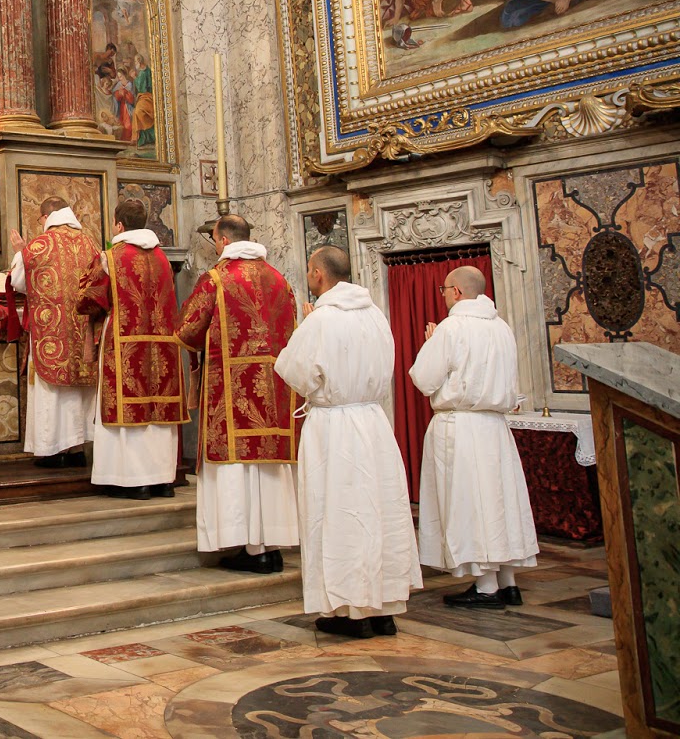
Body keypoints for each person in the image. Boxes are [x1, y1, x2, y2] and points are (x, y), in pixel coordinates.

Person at [274, 247, 421, 638]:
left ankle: (349, 612)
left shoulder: (321, 319)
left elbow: (293, 371)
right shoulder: (375, 314)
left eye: (308, 270)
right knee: (378, 512)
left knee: (339, 514)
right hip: (372, 421)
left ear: (319, 274)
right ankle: (384, 607)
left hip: (334, 426)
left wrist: (304, 328)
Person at [176, 215, 299, 573]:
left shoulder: (216, 279)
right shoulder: (281, 281)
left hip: (231, 393)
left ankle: (249, 547)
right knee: (267, 470)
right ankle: (270, 545)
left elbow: (187, 330)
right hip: (274, 393)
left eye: (215, 240)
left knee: (237, 469)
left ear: (224, 241)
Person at [410, 265, 538, 609]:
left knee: (470, 501)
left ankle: (486, 586)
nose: (443, 296)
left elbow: (424, 378)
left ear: (457, 292)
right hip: (495, 427)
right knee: (499, 501)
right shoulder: (502, 327)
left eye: (444, 290)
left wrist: (431, 344)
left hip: (461, 425)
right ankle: (508, 581)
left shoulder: (452, 328)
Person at [79, 198, 184, 499]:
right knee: (157, 411)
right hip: (163, 345)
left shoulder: (111, 258)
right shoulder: (163, 257)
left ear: (119, 225)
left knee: (128, 409)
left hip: (125, 342)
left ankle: (132, 480)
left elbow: (88, 298)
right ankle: (163, 479)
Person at [9, 197, 104, 468]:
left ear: (46, 216)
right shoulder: (90, 243)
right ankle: (76, 448)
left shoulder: (39, 245)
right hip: (83, 331)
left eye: (40, 219)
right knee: (78, 394)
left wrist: (20, 252)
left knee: (52, 392)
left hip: (51, 334)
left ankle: (52, 450)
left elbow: (19, 282)